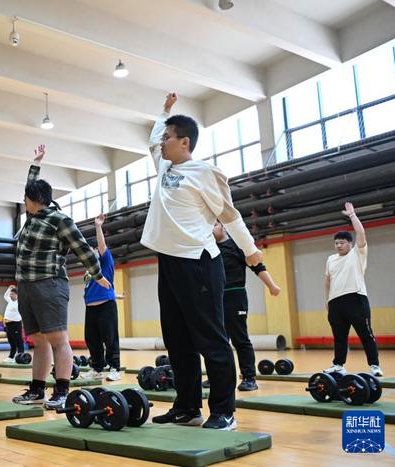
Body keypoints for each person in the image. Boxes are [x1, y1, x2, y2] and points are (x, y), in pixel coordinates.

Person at [140, 92, 262, 431]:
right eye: (163, 137)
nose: (162, 143)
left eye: (168, 138)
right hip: (169, 264)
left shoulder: (205, 172)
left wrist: (251, 251)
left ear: (185, 142)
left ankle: (224, 411)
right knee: (177, 341)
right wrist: (164, 110)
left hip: (199, 264)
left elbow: (230, 214)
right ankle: (187, 407)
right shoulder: (165, 166)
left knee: (211, 339)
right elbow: (152, 139)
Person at [12, 144, 110, 410]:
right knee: (38, 340)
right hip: (27, 286)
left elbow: (81, 248)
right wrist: (36, 162)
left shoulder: (59, 220)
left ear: (35, 200)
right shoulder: (31, 217)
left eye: (26, 199)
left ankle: (63, 391)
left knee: (57, 338)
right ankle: (37, 390)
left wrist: (98, 275)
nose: (24, 202)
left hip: (50, 285)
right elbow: (30, 184)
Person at [202, 221, 281, 391]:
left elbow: (257, 266)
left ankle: (249, 378)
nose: (210, 229)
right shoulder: (209, 251)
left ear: (223, 226)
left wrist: (272, 286)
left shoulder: (237, 246)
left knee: (240, 338)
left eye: (214, 225)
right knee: (216, 341)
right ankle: (216, 376)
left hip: (235, 295)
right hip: (215, 299)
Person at [324, 202, 382, 377]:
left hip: (356, 299)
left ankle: (374, 366)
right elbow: (327, 281)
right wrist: (327, 302)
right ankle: (338, 365)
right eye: (336, 243)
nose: (339, 245)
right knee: (339, 337)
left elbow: (361, 233)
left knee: (366, 334)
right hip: (335, 302)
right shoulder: (331, 259)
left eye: (342, 242)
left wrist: (352, 215)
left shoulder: (357, 254)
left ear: (350, 244)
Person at [82, 213, 121, 382]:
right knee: (92, 340)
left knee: (110, 338)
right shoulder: (89, 270)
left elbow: (102, 245)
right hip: (90, 308)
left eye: (93, 251)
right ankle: (97, 368)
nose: (91, 253)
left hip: (106, 306)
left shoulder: (105, 261)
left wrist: (98, 226)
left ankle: (114, 368)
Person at [2, 285, 24, 362]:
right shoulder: (10, 300)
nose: (10, 295)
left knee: (18, 341)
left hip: (16, 324)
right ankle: (11, 357)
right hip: (8, 324)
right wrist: (9, 288)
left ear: (17, 295)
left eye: (12, 294)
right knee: (11, 341)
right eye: (10, 294)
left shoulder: (19, 303)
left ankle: (20, 356)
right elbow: (5, 295)